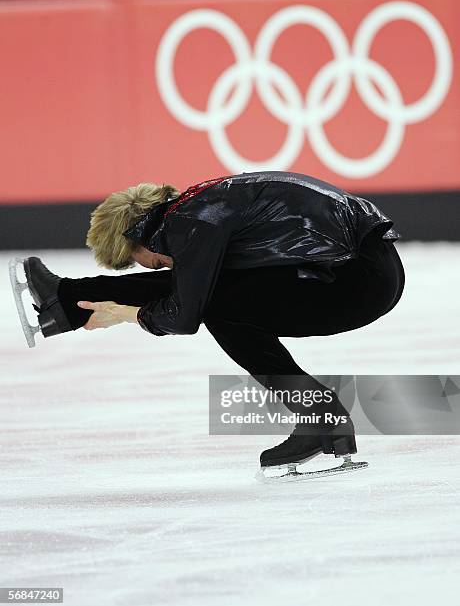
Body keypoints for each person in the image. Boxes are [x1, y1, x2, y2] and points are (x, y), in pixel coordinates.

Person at [11, 171, 405, 478]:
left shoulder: (193, 221)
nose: (150, 265)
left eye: (138, 259)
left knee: (216, 306)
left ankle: (321, 417)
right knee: (208, 292)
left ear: (140, 235)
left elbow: (185, 315)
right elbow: (187, 289)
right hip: (358, 268)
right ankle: (64, 300)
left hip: (356, 280)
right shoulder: (195, 208)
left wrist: (124, 314)